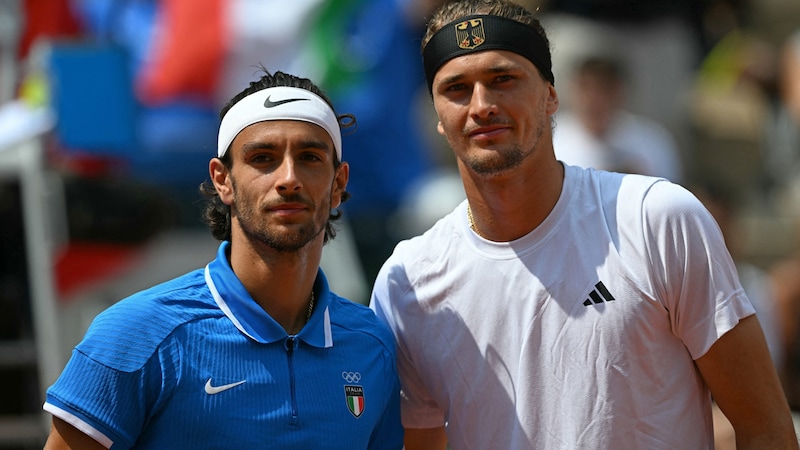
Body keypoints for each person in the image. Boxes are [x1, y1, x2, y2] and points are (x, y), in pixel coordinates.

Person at [368, 0, 799, 448]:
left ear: (551, 95)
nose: (482, 105)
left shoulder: (658, 219)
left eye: (503, 79)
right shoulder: (408, 282)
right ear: (437, 116)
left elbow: (766, 428)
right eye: (456, 88)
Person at [42, 69, 403, 449]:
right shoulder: (135, 335)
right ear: (222, 180)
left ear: (338, 184)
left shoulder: (372, 344)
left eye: (310, 157)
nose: (289, 178)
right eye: (263, 158)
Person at [553, 54, 683, 183]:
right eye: (585, 88)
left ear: (619, 91)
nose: (593, 98)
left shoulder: (653, 141)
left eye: (603, 88)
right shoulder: (552, 140)